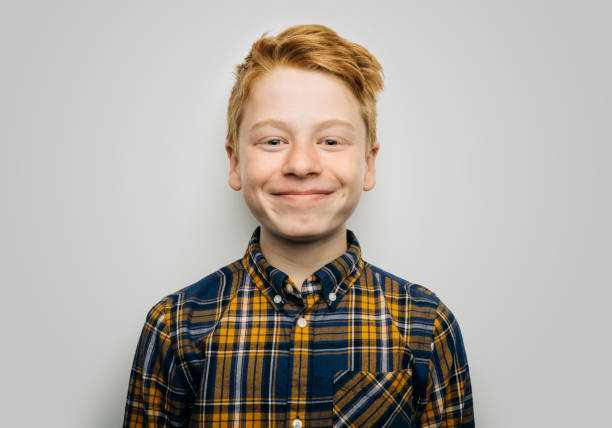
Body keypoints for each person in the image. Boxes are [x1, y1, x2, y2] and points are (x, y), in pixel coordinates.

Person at [123, 24, 474, 427]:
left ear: (369, 163)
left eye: (331, 141)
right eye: (273, 141)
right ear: (235, 162)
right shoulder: (176, 327)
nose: (302, 165)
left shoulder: (425, 325)